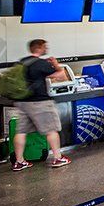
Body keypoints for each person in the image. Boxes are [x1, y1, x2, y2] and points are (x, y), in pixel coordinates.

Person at [10, 39, 71, 171]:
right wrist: (56, 64)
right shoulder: (41, 63)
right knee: (51, 130)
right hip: (40, 102)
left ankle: (19, 161)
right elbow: (62, 76)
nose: (46, 48)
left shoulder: (21, 62)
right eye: (45, 46)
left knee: (21, 132)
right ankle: (58, 157)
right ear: (39, 48)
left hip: (22, 102)